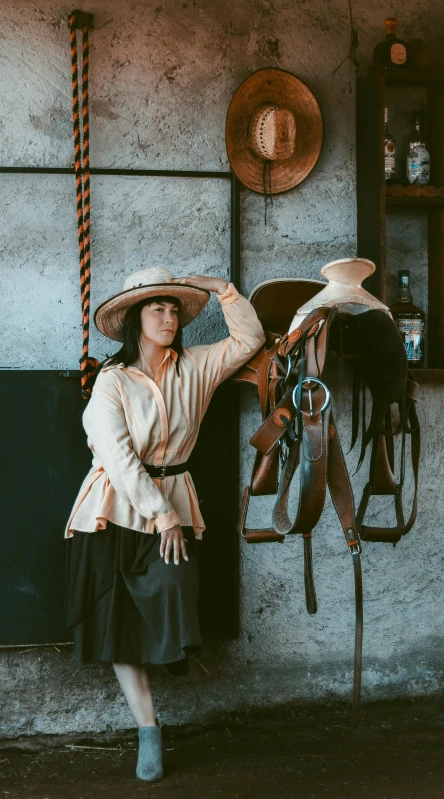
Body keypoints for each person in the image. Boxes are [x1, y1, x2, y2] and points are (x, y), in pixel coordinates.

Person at [63, 266, 265, 781]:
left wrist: (221, 289)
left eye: (174, 308)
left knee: (175, 589)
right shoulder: (111, 381)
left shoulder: (195, 366)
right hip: (112, 511)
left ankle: (156, 705)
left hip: (171, 502)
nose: (169, 317)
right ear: (135, 318)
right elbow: (117, 454)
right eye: (157, 308)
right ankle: (147, 729)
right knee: (118, 629)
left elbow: (250, 339)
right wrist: (163, 514)